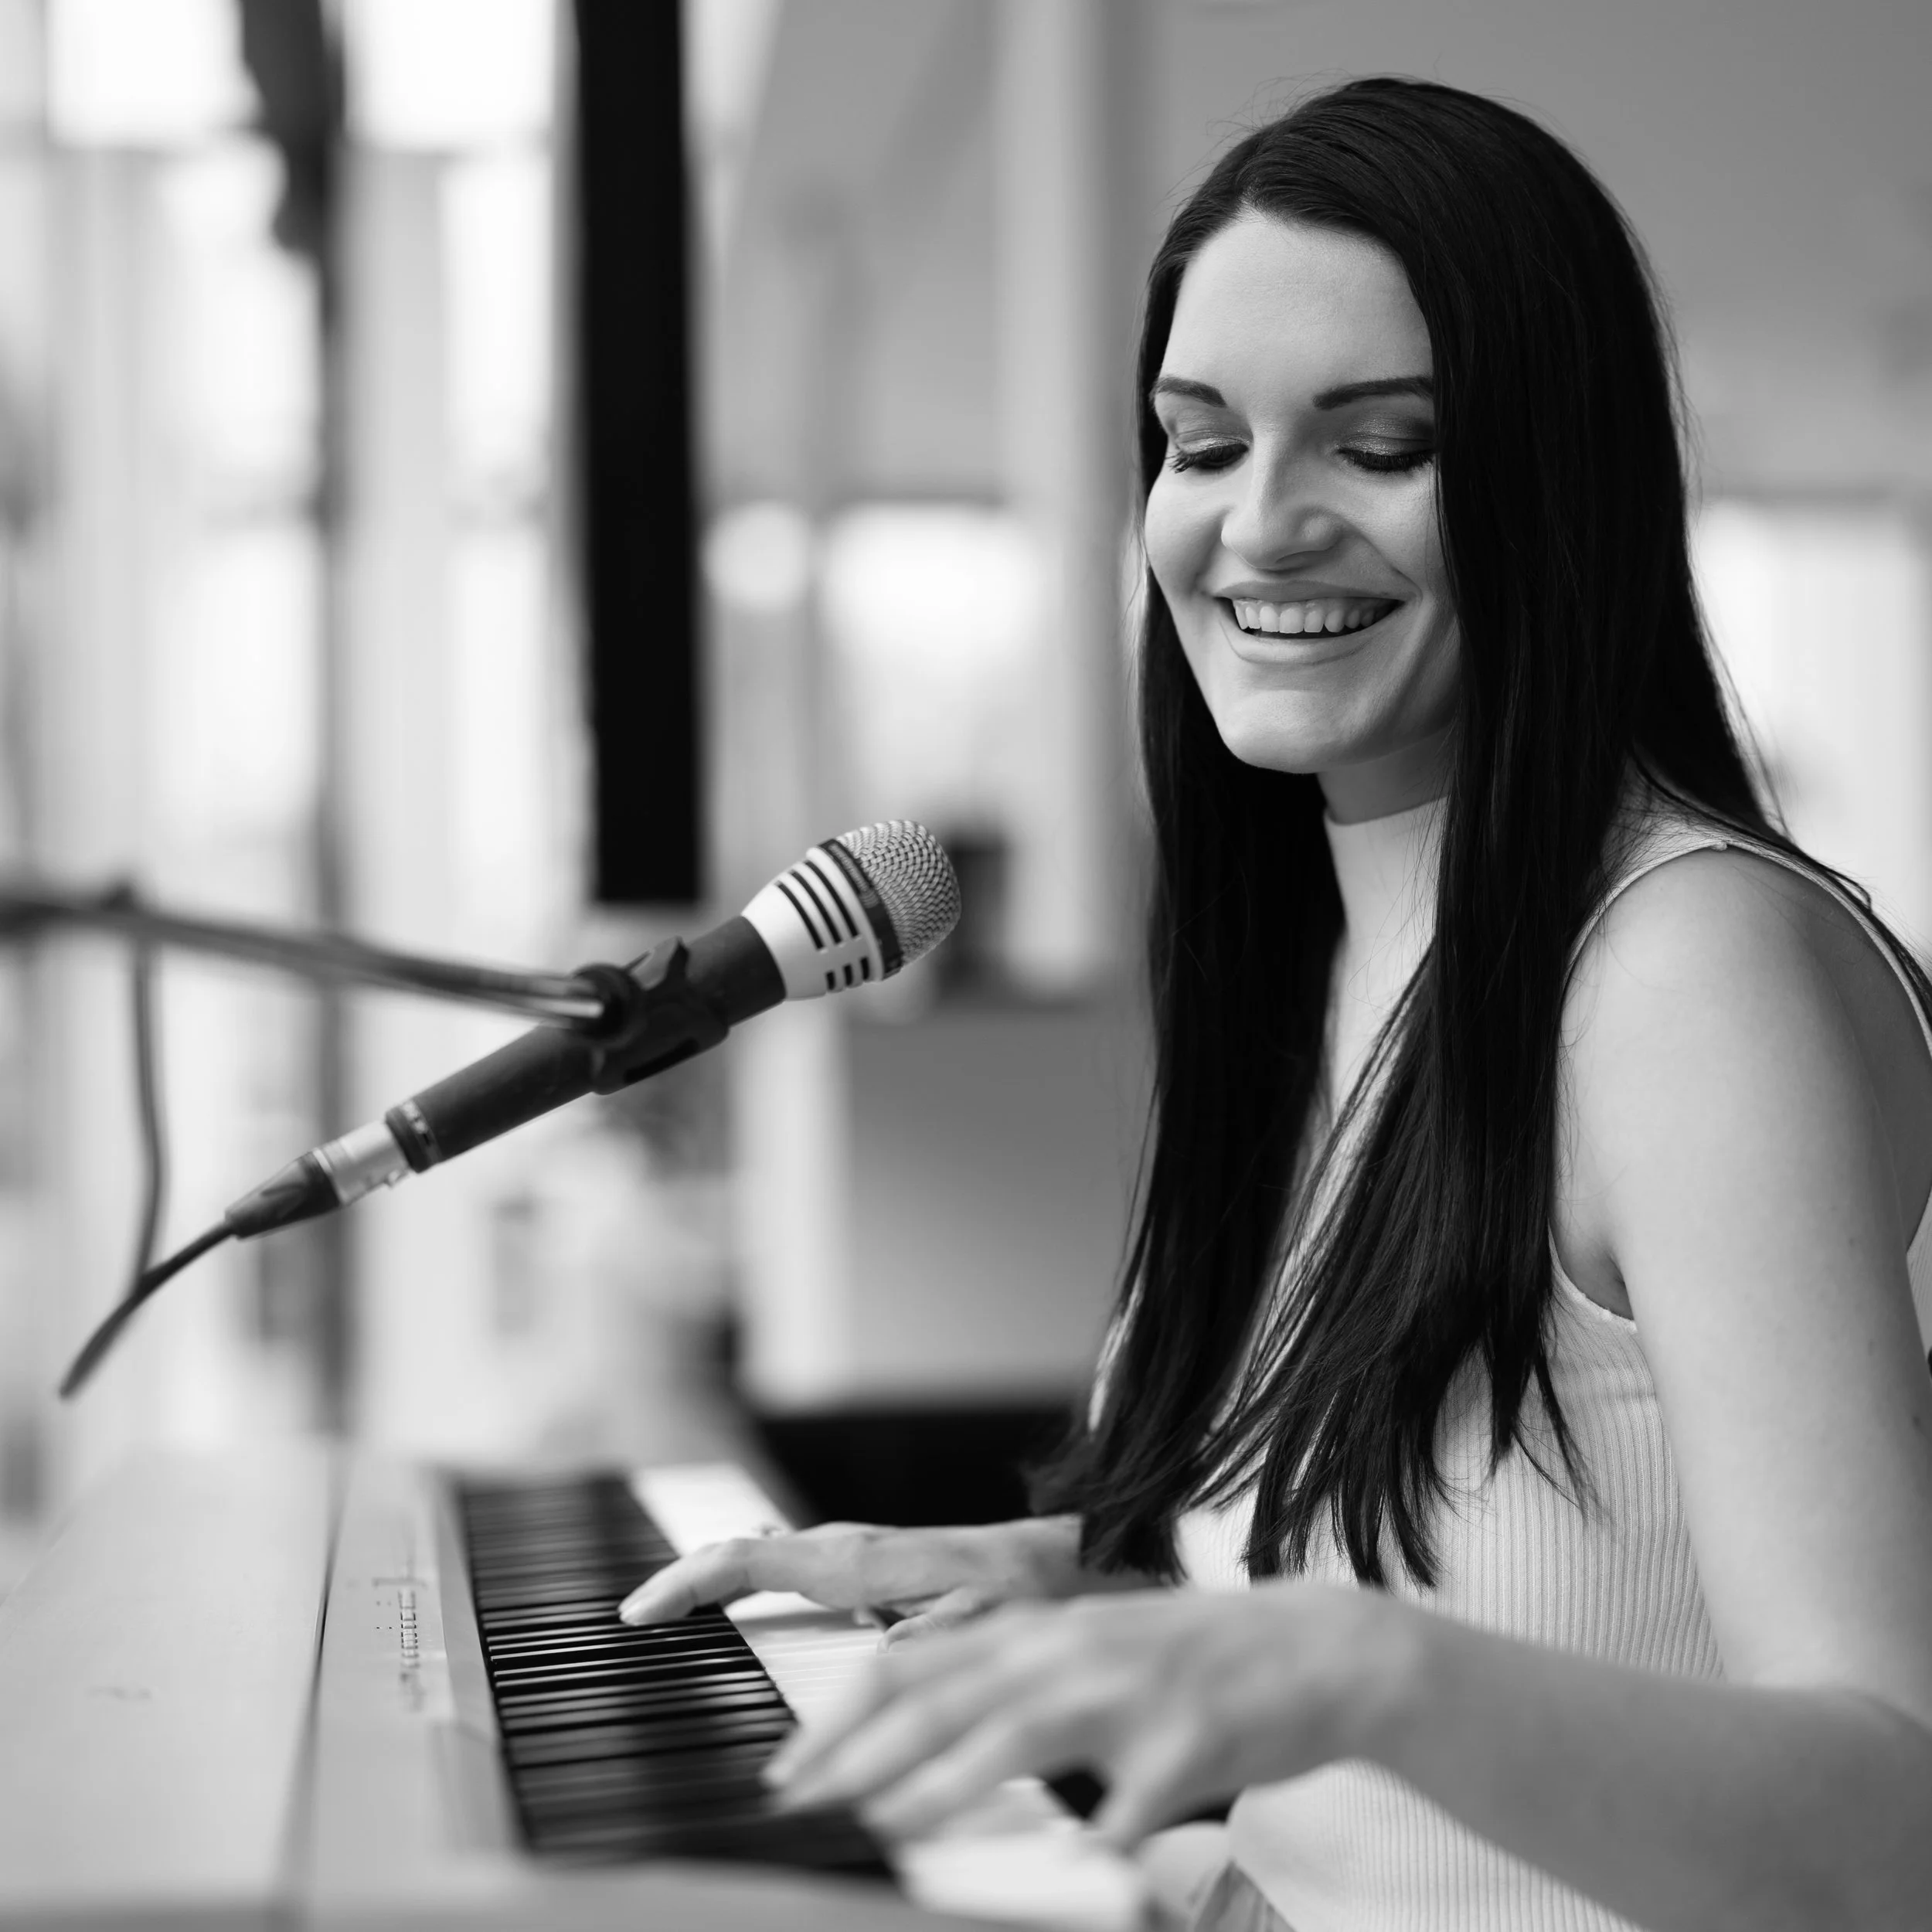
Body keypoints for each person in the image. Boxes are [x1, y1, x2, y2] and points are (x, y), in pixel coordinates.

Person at [619, 78, 1932, 1932]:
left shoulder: (1685, 969)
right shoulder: (1325, 944)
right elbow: (1499, 1571)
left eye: (1376, 444)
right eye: (1198, 441)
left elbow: (1890, 1819)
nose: (1258, 523)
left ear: (1557, 481)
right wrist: (1066, 1592)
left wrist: (1350, 1674)